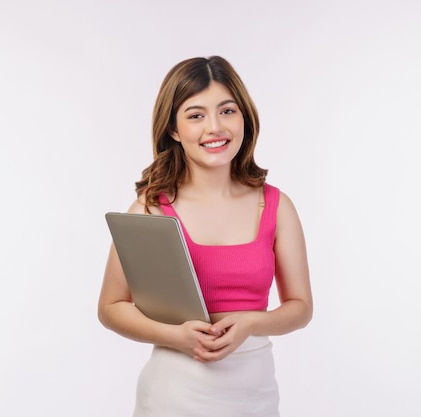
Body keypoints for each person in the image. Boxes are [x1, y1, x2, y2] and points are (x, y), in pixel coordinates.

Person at [98, 55, 313, 417]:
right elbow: (110, 307)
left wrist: (251, 323)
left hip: (254, 395)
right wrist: (175, 336)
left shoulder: (276, 205)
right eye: (196, 115)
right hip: (173, 395)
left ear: (244, 116)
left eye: (227, 111)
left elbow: (301, 307)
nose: (214, 127)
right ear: (173, 130)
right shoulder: (150, 210)